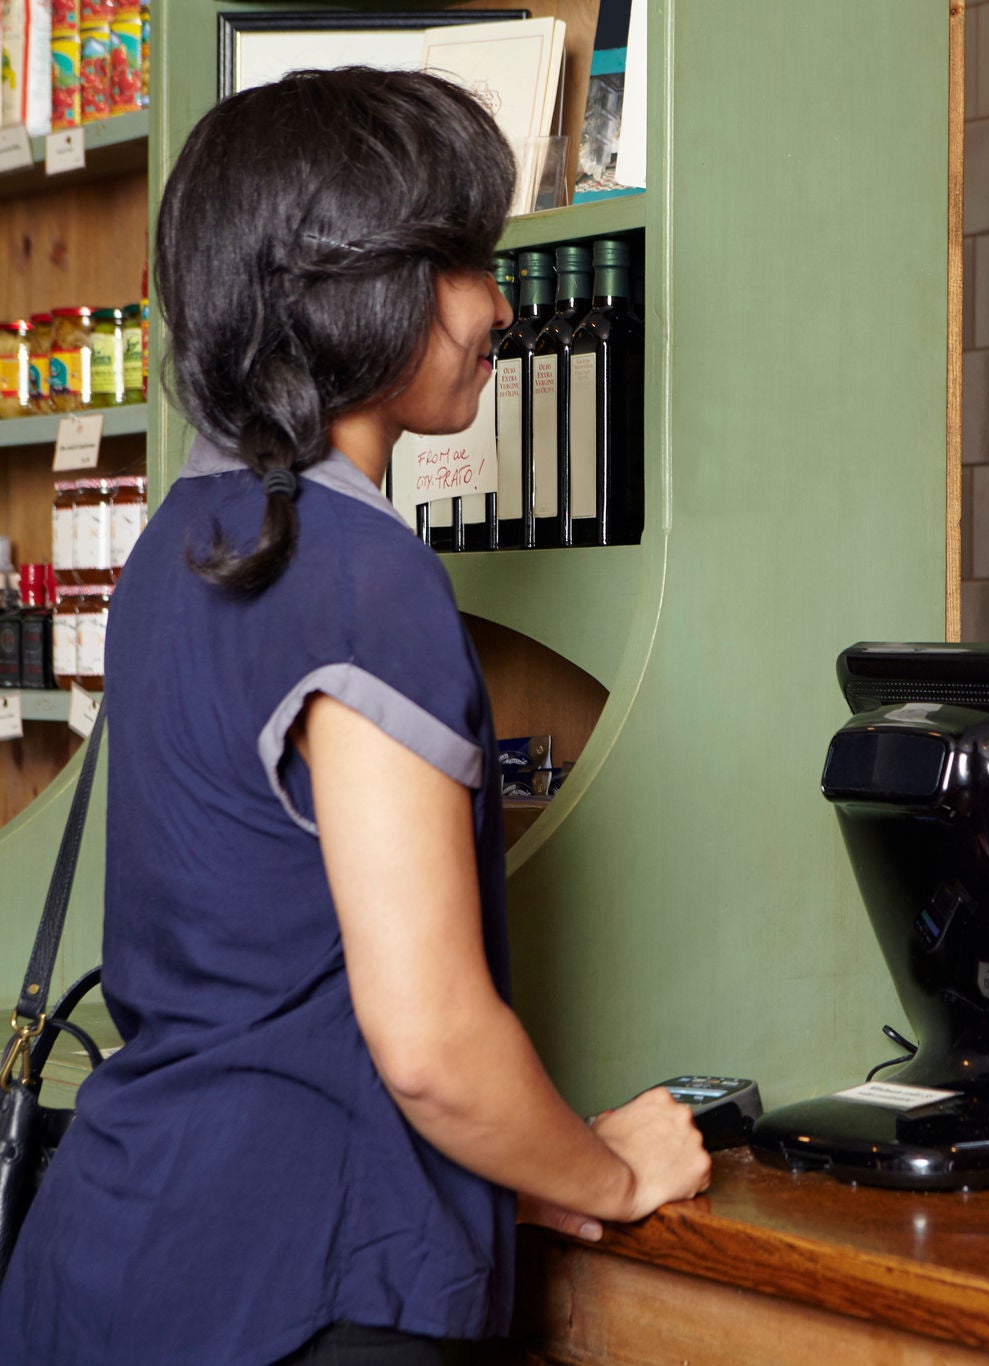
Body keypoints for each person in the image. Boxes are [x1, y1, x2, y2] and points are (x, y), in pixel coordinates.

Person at [0, 69, 708, 1366]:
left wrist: (511, 1163)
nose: (500, 307)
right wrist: (611, 1171)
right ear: (361, 285)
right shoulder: (361, 576)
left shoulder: (182, 542)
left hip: (110, 1255)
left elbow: (269, 954)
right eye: (467, 264)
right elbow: (430, 1044)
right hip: (295, 1294)